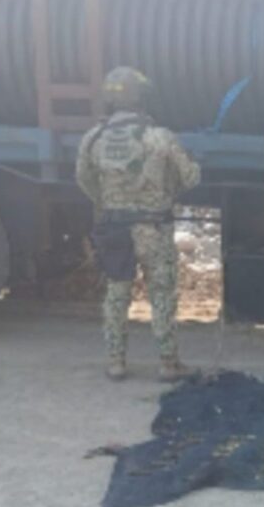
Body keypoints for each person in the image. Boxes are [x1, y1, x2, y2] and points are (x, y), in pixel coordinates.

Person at [76, 66, 201, 381]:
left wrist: (107, 201)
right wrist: (169, 187)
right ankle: (168, 363)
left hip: (115, 227)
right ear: (143, 97)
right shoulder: (159, 137)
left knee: (116, 294)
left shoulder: (93, 138)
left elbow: (84, 180)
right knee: (161, 294)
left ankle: (116, 362)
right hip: (154, 228)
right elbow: (190, 177)